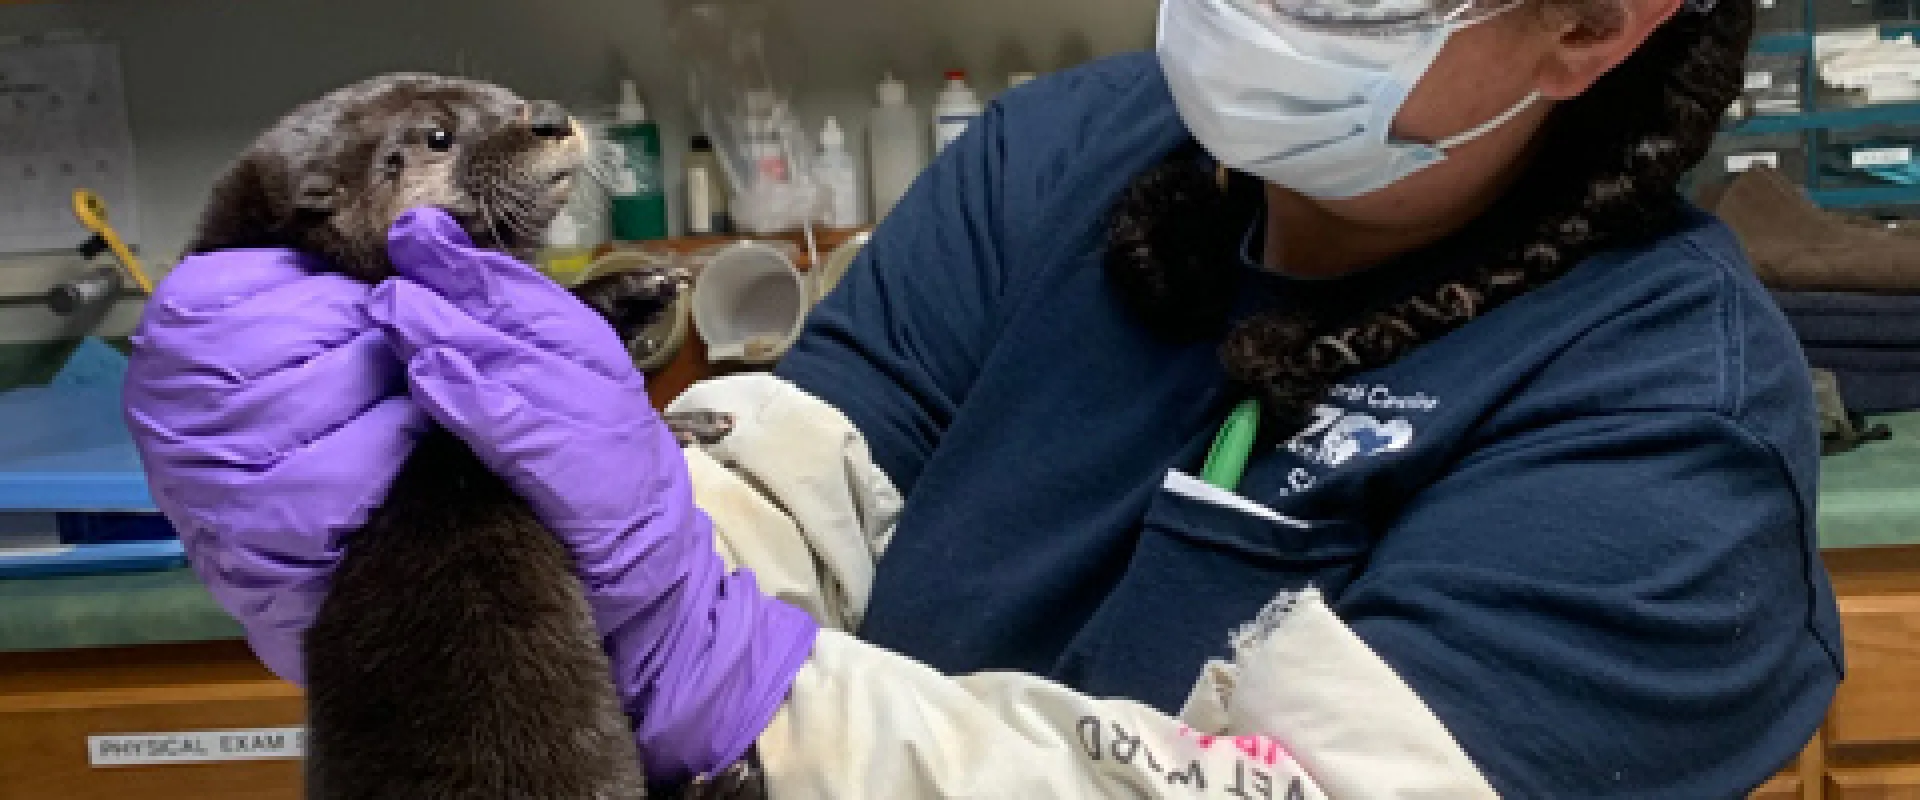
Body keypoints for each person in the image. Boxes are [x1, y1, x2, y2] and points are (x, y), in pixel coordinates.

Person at [123, 0, 1841, 795]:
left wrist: (715, 679)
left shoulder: (1663, 421)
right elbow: (803, 475)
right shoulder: (1064, 153)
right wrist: (484, 568)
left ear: (1592, 25)